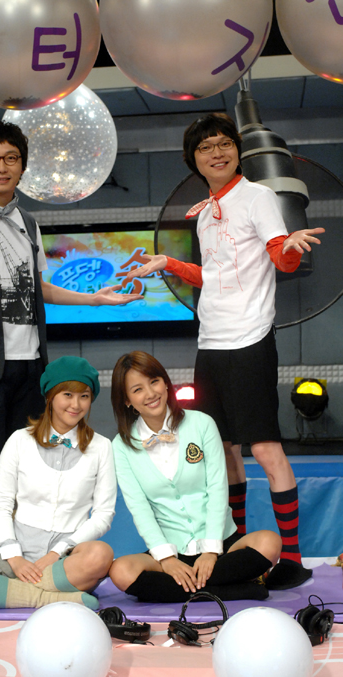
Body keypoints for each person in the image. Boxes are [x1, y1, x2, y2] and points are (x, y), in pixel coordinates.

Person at [123, 113, 325, 590]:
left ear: (237, 150)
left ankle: (292, 559)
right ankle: (236, 547)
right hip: (210, 342)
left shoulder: (258, 196)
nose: (217, 152)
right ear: (193, 160)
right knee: (224, 450)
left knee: (265, 448)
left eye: (224, 143)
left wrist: (292, 247)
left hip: (249, 338)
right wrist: (169, 263)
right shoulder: (205, 211)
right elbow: (214, 275)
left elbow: (279, 257)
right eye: (206, 147)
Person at [0, 121, 140, 559]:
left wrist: (94, 299)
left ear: (22, 167)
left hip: (30, 363)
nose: (1, 167)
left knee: (30, 464)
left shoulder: (28, 222)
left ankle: (26, 552)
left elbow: (39, 288)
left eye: (11, 158)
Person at [0, 356, 116, 610]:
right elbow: (0, 504)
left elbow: (103, 515)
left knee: (101, 554)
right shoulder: (19, 440)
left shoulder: (102, 447)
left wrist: (57, 552)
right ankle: (49, 597)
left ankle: (18, 593)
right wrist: (14, 556)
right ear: (50, 396)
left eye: (84, 396)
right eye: (67, 394)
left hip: (67, 560)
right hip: (16, 556)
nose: (76, 405)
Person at [109, 351, 281, 603]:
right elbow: (139, 507)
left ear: (165, 383)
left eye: (154, 381)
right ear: (126, 400)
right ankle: (228, 590)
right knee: (121, 571)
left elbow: (218, 488)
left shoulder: (202, 423)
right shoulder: (121, 445)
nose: (150, 393)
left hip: (220, 542)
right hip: (171, 551)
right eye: (138, 389)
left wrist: (210, 551)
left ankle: (187, 591)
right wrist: (166, 559)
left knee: (270, 543)